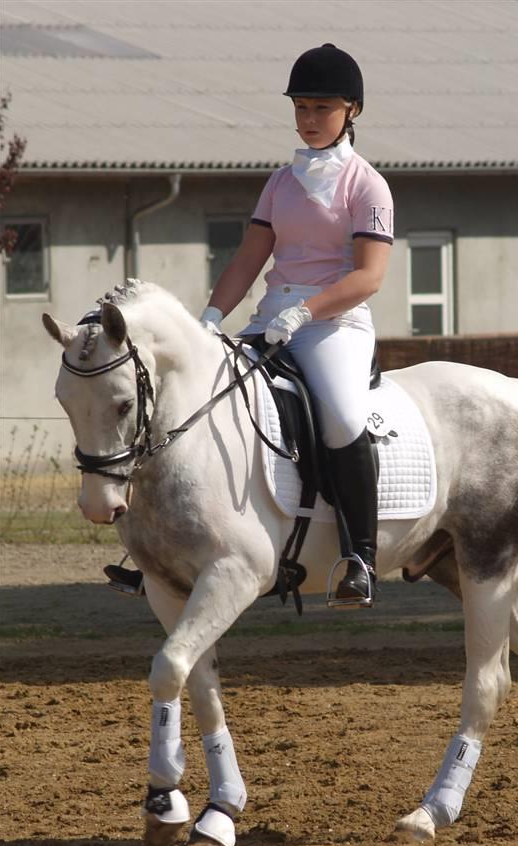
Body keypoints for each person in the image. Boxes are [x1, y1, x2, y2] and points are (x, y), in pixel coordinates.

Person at [199, 43, 394, 604]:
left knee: (339, 415)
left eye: (322, 109)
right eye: (301, 108)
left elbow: (369, 277)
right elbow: (246, 261)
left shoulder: (367, 185)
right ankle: (182, 550)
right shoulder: (280, 184)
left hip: (335, 324)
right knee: (206, 399)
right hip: (270, 318)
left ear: (351, 110)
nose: (309, 120)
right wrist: (211, 319)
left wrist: (306, 311)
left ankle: (361, 556)